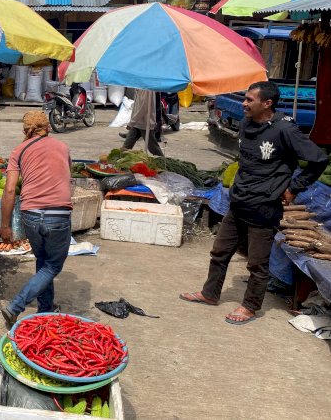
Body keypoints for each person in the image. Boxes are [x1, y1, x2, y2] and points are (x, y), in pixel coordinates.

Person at [180, 81, 326, 325]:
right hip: (239, 202)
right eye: (245, 99)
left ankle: (250, 306)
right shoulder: (247, 123)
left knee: (257, 263)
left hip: (264, 207)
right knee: (219, 252)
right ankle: (210, 293)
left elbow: (318, 160)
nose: (244, 103)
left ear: (267, 104)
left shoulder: (285, 130)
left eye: (250, 100)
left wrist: (293, 189)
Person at [0, 111, 72, 327]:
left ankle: (45, 308)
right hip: (58, 214)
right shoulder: (63, 147)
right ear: (47, 127)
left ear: (25, 130)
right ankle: (15, 306)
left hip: (30, 215)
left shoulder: (19, 151)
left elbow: (10, 190)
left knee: (43, 262)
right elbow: (68, 177)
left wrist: (5, 226)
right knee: (52, 267)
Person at [121, 88, 163, 156]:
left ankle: (163, 162)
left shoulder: (146, 89)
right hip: (137, 123)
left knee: (153, 148)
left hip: (145, 123)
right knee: (126, 146)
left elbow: (143, 108)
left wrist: (132, 122)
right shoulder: (140, 88)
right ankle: (120, 162)